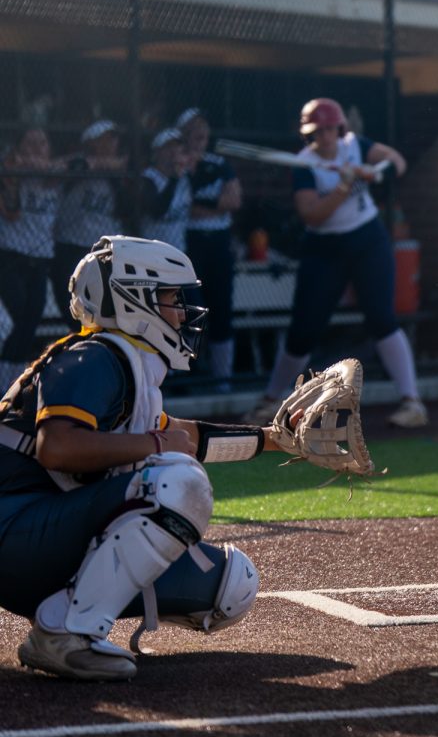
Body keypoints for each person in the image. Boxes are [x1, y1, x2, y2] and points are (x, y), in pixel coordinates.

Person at [0, 235, 292, 681]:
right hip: (14, 532)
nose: (182, 311)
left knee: (233, 586)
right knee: (178, 482)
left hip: (35, 536)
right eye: (172, 297)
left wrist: (278, 440)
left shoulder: (122, 363)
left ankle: (73, 612)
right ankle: (65, 634)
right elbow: (56, 447)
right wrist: (157, 447)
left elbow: (181, 435)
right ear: (133, 300)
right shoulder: (94, 357)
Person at [243, 98, 427, 428]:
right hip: (324, 247)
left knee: (382, 319)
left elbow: (396, 161)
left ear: (340, 128)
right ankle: (272, 399)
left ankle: (412, 402)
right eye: (318, 131)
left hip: (367, 239)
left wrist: (375, 171)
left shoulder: (355, 146)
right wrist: (345, 186)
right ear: (308, 134)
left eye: (330, 129)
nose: (326, 136)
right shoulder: (304, 164)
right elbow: (312, 212)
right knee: (304, 328)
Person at [178, 108, 241, 393]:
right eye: (193, 128)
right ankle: (188, 374)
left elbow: (234, 199)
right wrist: (214, 204)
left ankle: (222, 378)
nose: (199, 133)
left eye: (203, 127)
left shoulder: (220, 164)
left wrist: (206, 206)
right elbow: (184, 207)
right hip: (190, 241)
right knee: (191, 308)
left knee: (222, 307)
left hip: (218, 241)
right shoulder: (179, 165)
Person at [0, 127, 62, 392]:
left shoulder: (56, 176)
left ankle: (14, 387)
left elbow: (73, 163)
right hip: (11, 256)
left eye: (43, 143)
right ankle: (4, 383)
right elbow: (11, 213)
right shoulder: (13, 174)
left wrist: (47, 166)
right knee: (16, 318)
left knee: (29, 324)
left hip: (40, 258)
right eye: (31, 143)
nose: (37, 148)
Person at [50, 120, 127, 323]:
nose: (111, 145)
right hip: (71, 244)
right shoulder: (77, 164)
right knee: (73, 307)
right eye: (103, 140)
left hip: (103, 250)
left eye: (113, 140)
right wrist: (97, 164)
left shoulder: (120, 172)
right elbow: (66, 168)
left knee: (104, 308)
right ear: (90, 143)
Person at [139, 128, 193, 252]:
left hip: (179, 249)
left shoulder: (186, 177)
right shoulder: (148, 178)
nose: (174, 151)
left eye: (178, 146)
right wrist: (174, 179)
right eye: (168, 147)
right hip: (152, 250)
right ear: (157, 152)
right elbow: (157, 211)